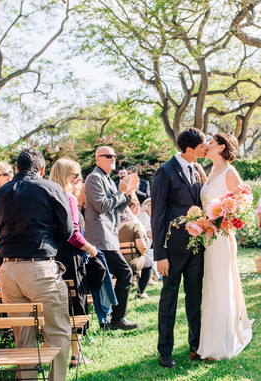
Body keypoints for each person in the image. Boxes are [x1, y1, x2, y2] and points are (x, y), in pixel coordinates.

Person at [0, 148, 74, 381]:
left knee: (22, 336)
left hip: (8, 270)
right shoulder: (50, 187)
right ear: (42, 169)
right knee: (57, 332)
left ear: (16, 169)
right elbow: (67, 230)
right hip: (39, 267)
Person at [151, 128, 207, 368]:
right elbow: (157, 216)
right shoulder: (165, 172)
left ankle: (196, 346)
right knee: (169, 300)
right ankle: (165, 351)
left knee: (195, 298)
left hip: (196, 247)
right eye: (203, 145)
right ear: (189, 149)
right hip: (172, 250)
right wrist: (159, 255)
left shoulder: (196, 170)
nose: (206, 148)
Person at [197, 133, 252, 360]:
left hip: (221, 236)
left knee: (222, 286)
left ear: (221, 147)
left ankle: (222, 344)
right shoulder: (209, 171)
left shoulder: (230, 172)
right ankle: (209, 341)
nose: (206, 145)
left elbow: (244, 201)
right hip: (208, 238)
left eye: (210, 142)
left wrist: (224, 218)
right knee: (210, 287)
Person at [49, 158, 98, 367]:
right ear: (66, 176)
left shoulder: (49, 196)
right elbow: (74, 234)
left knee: (61, 305)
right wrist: (90, 248)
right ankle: (76, 354)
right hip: (71, 255)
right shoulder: (67, 198)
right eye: (76, 174)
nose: (79, 179)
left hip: (54, 256)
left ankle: (65, 352)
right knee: (75, 303)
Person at [84, 146, 139, 331]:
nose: (112, 158)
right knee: (124, 274)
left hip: (110, 237)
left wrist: (128, 194)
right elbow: (102, 205)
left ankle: (111, 318)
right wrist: (121, 192)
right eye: (108, 156)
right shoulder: (93, 178)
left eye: (114, 156)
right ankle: (116, 318)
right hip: (100, 239)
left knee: (114, 278)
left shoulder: (106, 178)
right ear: (97, 159)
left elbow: (115, 209)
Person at [119, 205, 154, 299]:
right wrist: (142, 253)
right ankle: (140, 292)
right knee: (149, 263)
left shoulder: (111, 227)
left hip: (115, 260)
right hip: (131, 260)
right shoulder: (133, 226)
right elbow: (142, 247)